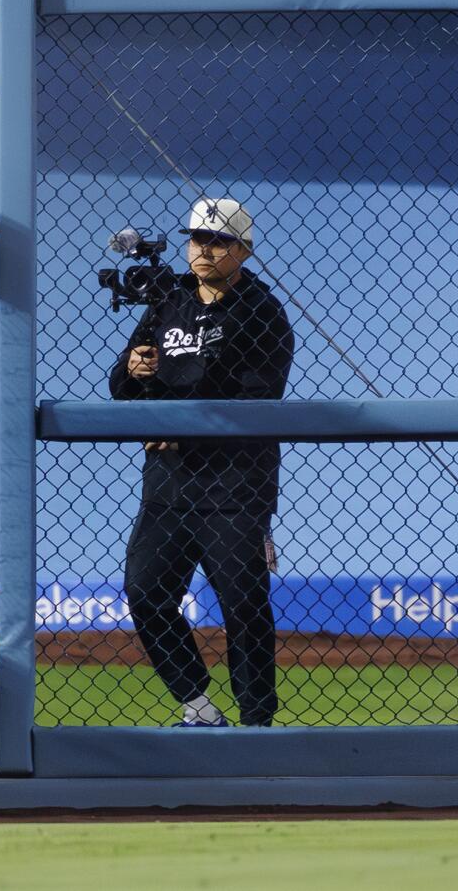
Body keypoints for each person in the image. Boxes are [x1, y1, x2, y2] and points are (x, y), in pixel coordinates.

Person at [110, 198, 295, 729]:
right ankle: (198, 705)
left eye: (217, 241)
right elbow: (122, 385)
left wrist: (175, 417)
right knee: (146, 593)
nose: (204, 249)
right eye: (196, 239)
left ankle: (257, 720)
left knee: (243, 606)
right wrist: (135, 370)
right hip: (169, 484)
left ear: (243, 250)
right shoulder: (168, 300)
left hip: (235, 483)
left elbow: (260, 396)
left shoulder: (262, 309)